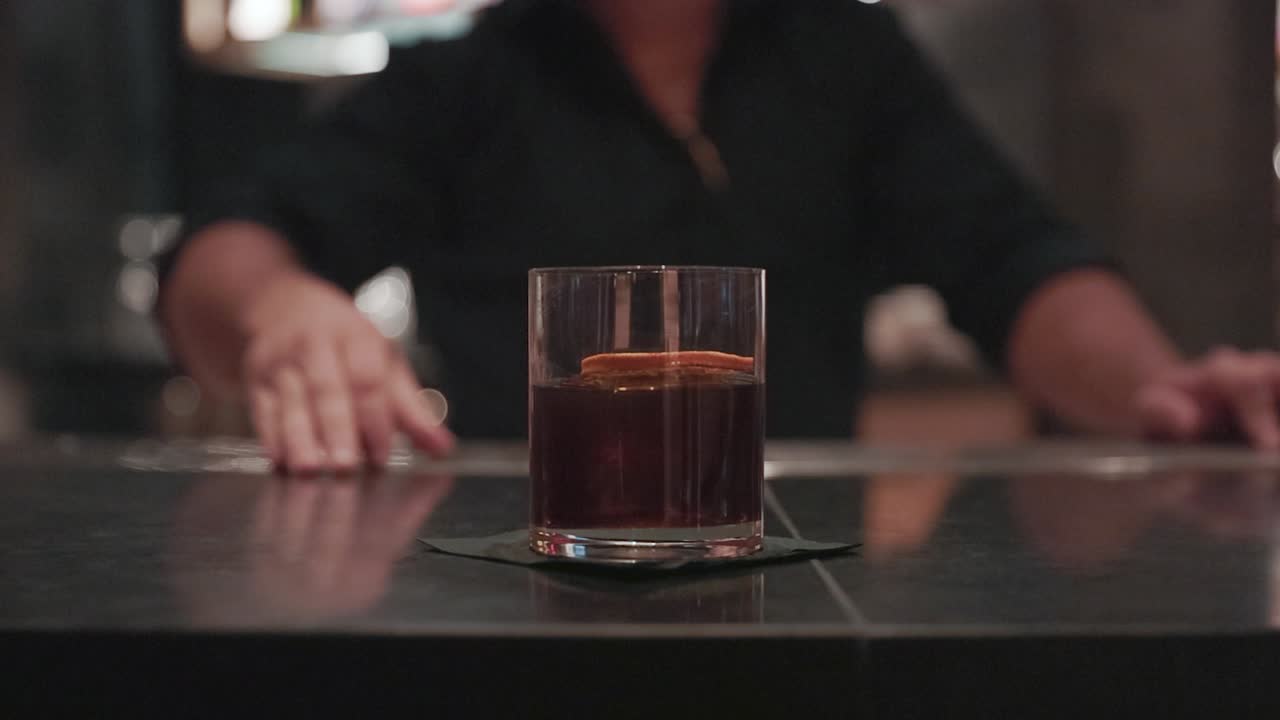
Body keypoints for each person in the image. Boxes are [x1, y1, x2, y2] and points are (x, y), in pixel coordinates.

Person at [160, 0, 1280, 472]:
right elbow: (225, 247)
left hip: (791, 587)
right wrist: (279, 308)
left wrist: (1164, 392)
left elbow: (1013, 260)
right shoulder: (467, 78)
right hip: (527, 595)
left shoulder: (847, 58)